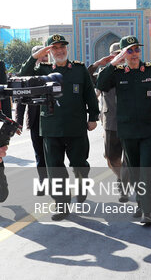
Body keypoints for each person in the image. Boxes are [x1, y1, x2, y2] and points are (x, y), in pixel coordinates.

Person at [18, 34, 99, 221]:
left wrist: (93, 117)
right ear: (49, 51)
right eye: (54, 48)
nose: (59, 50)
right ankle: (62, 204)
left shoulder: (79, 69)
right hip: (51, 128)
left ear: (67, 49)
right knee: (55, 168)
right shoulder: (43, 70)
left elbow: (89, 94)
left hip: (76, 126)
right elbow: (22, 75)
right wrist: (36, 55)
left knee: (79, 164)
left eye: (62, 47)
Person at [97, 35, 151, 226]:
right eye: (129, 50)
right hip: (128, 131)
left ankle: (147, 210)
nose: (134, 53)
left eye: (137, 49)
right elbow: (101, 84)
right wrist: (114, 62)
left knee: (146, 168)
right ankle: (140, 202)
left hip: (148, 130)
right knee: (135, 171)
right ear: (123, 54)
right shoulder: (118, 73)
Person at [88, 42, 130, 202]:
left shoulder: (131, 71)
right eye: (115, 54)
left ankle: (123, 185)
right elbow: (86, 77)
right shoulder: (103, 74)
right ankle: (122, 177)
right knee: (111, 157)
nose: (119, 57)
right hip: (110, 121)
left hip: (129, 121)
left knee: (129, 157)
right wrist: (99, 64)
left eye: (122, 54)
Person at [15, 45, 49, 195]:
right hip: (36, 120)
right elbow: (21, 100)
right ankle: (43, 182)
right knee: (40, 154)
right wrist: (18, 122)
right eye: (40, 55)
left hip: (54, 120)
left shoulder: (56, 72)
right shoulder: (29, 76)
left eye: (46, 54)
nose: (44, 57)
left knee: (54, 154)